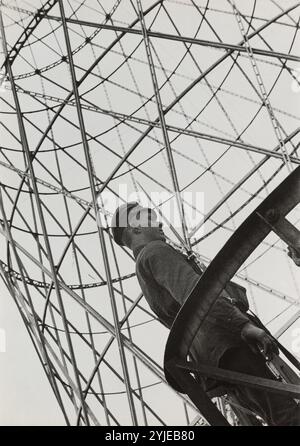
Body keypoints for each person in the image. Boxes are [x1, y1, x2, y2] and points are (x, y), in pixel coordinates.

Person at [111, 201, 300, 426]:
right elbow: (197, 295)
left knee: (275, 415)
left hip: (212, 359)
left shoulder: (143, 270)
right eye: (148, 217)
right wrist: (243, 326)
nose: (159, 221)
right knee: (286, 413)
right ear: (135, 229)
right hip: (226, 342)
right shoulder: (155, 252)